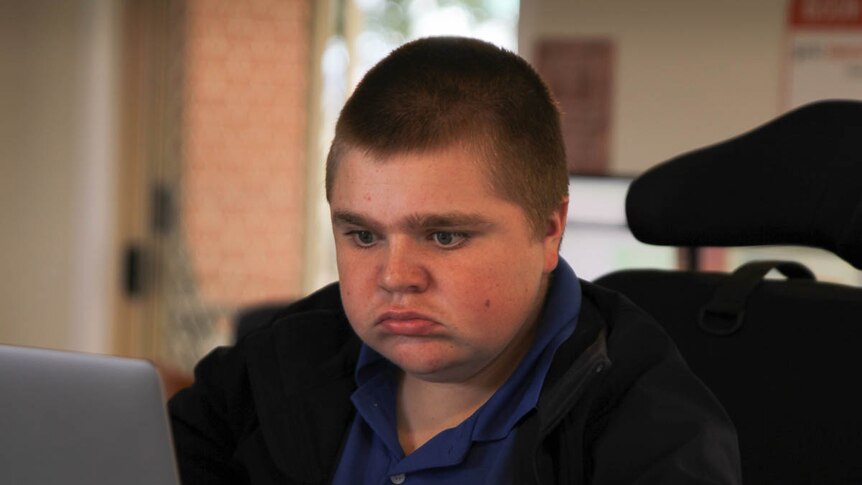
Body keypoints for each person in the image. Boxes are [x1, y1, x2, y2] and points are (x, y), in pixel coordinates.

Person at [168, 36, 742, 484]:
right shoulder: (274, 367)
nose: (395, 278)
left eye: (443, 237)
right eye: (363, 236)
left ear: (548, 231)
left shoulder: (652, 431)